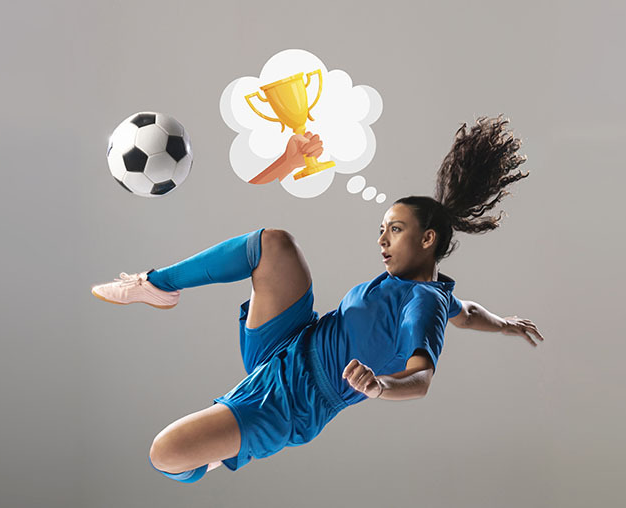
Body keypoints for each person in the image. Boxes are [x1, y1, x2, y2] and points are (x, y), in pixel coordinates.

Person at [91, 115, 545, 484]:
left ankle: (223, 454)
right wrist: (504, 323)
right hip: (289, 338)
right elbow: (466, 312)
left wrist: (379, 386)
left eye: (395, 230)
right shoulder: (438, 296)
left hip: (294, 398)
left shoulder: (423, 303)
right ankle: (156, 285)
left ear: (428, 240)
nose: (382, 240)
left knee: (165, 453)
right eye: (382, 229)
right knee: (273, 244)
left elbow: (422, 377)